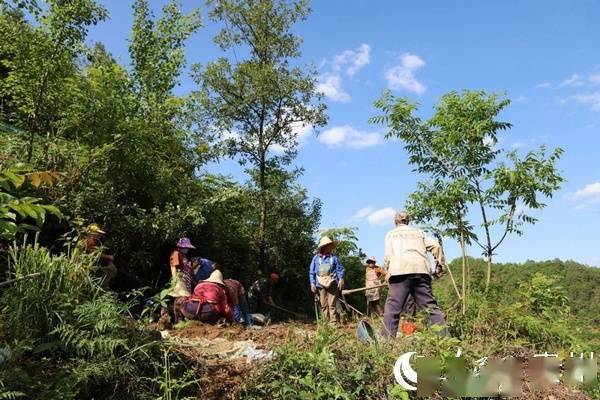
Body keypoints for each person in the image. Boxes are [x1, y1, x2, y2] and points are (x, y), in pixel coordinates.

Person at [381, 211, 447, 338]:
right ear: (408, 221)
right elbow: (436, 246)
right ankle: (445, 339)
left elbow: (388, 256)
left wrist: (387, 273)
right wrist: (439, 265)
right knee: (431, 308)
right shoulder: (418, 232)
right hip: (420, 271)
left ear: (395, 222)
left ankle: (386, 341)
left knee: (393, 308)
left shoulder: (391, 234)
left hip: (399, 271)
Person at [309, 236, 345, 323]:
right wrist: (312, 283)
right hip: (320, 284)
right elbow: (312, 272)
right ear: (323, 247)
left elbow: (340, 269)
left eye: (330, 245)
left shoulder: (334, 258)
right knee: (323, 304)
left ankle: (333, 322)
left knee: (332, 304)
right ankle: (325, 322)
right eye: (328, 245)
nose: (329, 247)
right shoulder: (316, 258)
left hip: (332, 283)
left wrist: (341, 278)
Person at [84, 223, 117, 289]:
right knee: (109, 270)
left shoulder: (96, 241)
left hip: (92, 263)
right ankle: (101, 287)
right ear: (92, 233)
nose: (99, 235)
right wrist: (108, 257)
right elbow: (93, 253)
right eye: (97, 233)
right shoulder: (89, 240)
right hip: (86, 263)